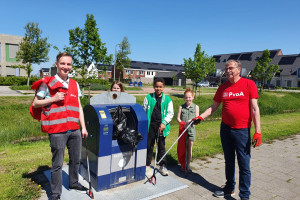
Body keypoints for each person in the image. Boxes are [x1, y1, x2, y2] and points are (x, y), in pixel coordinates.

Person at [193, 60, 261, 200]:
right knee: (229, 161)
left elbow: (255, 108)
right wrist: (201, 117)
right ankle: (229, 189)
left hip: (242, 131)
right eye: (226, 68)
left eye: (230, 68)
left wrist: (257, 131)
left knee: (244, 164)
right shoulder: (223, 87)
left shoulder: (249, 84)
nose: (227, 71)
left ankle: (244, 195)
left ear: (238, 69)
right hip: (226, 129)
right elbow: (214, 107)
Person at [32, 52, 89, 200]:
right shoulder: (47, 83)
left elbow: (79, 107)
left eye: (68, 64)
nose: (65, 67)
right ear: (56, 64)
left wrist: (83, 127)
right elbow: (36, 103)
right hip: (56, 130)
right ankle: (56, 193)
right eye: (62, 63)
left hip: (74, 129)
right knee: (57, 164)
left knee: (75, 159)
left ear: (71, 66)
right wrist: (53, 98)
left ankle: (74, 182)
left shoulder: (75, 84)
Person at [143, 78, 174, 176]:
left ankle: (162, 165)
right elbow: (143, 111)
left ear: (163, 87)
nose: (158, 88)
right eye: (156, 86)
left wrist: (164, 123)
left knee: (161, 146)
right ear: (153, 87)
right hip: (150, 125)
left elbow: (170, 113)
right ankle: (147, 165)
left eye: (160, 87)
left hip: (162, 126)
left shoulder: (167, 99)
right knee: (149, 145)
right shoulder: (148, 97)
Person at [177, 88, 199, 173]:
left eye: (190, 97)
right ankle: (183, 165)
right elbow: (178, 118)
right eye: (186, 97)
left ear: (193, 97)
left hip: (191, 131)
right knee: (183, 148)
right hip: (183, 130)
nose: (188, 99)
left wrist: (192, 121)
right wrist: (182, 123)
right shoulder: (181, 107)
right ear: (184, 98)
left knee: (189, 148)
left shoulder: (196, 107)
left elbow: (197, 119)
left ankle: (188, 165)